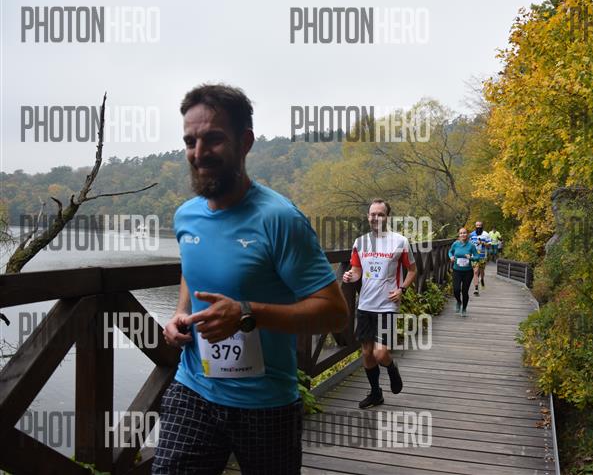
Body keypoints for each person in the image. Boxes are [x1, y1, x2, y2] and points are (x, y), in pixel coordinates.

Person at [155, 84, 349, 475]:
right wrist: (179, 313)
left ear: (245, 142)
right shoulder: (185, 216)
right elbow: (191, 269)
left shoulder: (280, 219)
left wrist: (247, 313)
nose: (199, 153)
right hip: (193, 389)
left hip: (266, 403)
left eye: (213, 139)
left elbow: (334, 313)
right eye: (190, 141)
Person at [342, 199, 417, 409]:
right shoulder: (360, 242)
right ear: (368, 216)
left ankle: (391, 368)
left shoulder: (400, 242)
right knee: (367, 353)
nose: (376, 218)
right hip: (365, 305)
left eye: (380, 214)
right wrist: (349, 276)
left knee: (380, 353)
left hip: (387, 305)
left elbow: (412, 270)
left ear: (387, 217)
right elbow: (357, 271)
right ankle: (376, 393)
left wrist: (402, 289)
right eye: (372, 214)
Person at [448, 227, 480, 316]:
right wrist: (451, 257)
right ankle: (459, 301)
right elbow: (450, 252)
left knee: (465, 291)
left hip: (468, 272)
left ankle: (464, 309)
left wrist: (471, 257)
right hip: (457, 271)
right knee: (456, 290)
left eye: (464, 233)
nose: (463, 234)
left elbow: (477, 257)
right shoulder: (455, 244)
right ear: (459, 235)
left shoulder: (471, 245)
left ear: (467, 234)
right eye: (461, 233)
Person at [470, 221, 492, 296]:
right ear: (475, 226)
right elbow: (469, 245)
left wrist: (482, 243)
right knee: (476, 271)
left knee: (482, 271)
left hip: (483, 256)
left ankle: (482, 279)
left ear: (482, 226)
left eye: (480, 225)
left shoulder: (486, 234)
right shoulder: (472, 234)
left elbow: (489, 245)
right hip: (474, 256)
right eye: (477, 225)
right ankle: (476, 289)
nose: (478, 227)